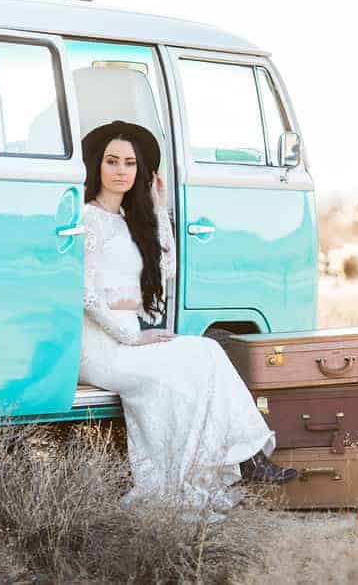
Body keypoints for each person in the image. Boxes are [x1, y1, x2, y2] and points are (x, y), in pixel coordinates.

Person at [79, 120, 296, 514]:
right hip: (101, 349)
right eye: (112, 161)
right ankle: (242, 460)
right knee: (198, 356)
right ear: (97, 165)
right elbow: (85, 295)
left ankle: (245, 458)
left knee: (207, 352)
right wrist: (130, 335)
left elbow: (166, 270)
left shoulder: (128, 222)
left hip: (130, 340)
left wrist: (159, 210)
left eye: (130, 163)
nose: (121, 171)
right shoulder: (89, 218)